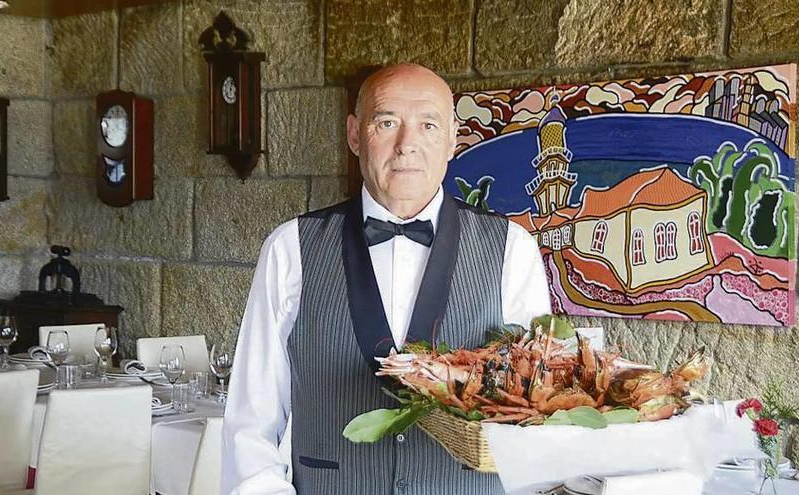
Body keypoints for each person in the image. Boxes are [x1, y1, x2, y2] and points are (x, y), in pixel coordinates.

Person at [221, 63, 551, 494]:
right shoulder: (290, 249)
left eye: (428, 125)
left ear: (453, 139)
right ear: (355, 134)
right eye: (387, 122)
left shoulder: (512, 249)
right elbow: (251, 420)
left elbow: (536, 415)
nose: (406, 144)